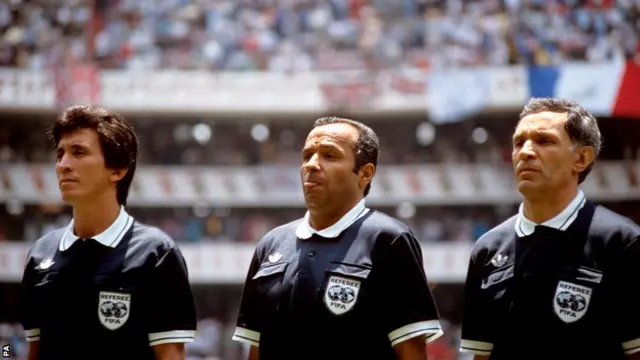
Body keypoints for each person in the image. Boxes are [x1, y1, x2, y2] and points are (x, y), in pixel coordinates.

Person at [232, 116, 443, 360]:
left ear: (364, 173)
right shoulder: (271, 245)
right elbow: (256, 350)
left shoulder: (390, 239)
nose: (311, 164)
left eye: (329, 155)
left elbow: (411, 351)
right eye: (307, 155)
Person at [460, 98, 640, 360]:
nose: (526, 152)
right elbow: (481, 355)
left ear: (580, 158)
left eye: (544, 141)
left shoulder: (622, 242)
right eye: (519, 142)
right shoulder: (487, 250)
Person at [20, 106, 197, 360]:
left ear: (118, 170)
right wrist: (3, 354)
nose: (63, 165)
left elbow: (170, 356)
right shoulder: (40, 254)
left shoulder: (156, 253)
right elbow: (32, 352)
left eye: (78, 152)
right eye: (60, 154)